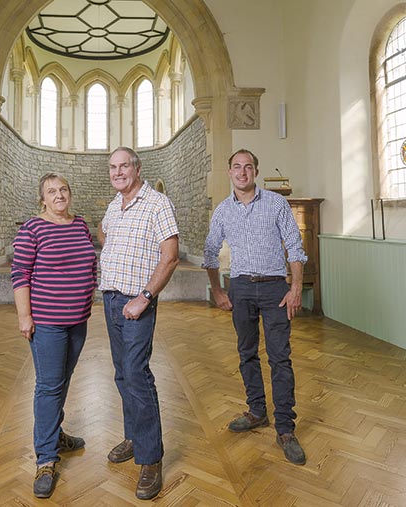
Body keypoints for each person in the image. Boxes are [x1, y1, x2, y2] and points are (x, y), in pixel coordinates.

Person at [202, 148, 308, 466]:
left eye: (248, 167)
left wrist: (296, 287)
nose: (243, 172)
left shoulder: (276, 203)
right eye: (237, 167)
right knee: (246, 353)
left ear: (256, 172)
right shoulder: (222, 211)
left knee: (280, 358)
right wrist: (218, 290)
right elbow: (210, 251)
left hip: (275, 287)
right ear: (230, 172)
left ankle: (286, 430)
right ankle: (257, 411)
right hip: (242, 288)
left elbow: (294, 244)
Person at [98, 147, 179, 500]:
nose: (118, 172)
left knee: (136, 372)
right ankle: (134, 436)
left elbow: (171, 255)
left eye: (124, 166)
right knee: (121, 373)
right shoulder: (114, 206)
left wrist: (144, 296)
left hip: (137, 302)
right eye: (113, 167)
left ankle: (150, 458)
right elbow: (105, 237)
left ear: (137, 168)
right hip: (111, 299)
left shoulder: (157, 203)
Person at [11, 173, 98, 498]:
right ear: (42, 199)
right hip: (47, 322)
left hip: (78, 320)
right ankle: (46, 459)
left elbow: (90, 264)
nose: (59, 195)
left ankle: (55, 433)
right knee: (48, 386)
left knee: (62, 380)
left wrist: (89, 291)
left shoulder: (79, 225)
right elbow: (20, 273)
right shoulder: (33, 229)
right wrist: (24, 316)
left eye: (63, 189)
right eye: (52, 191)